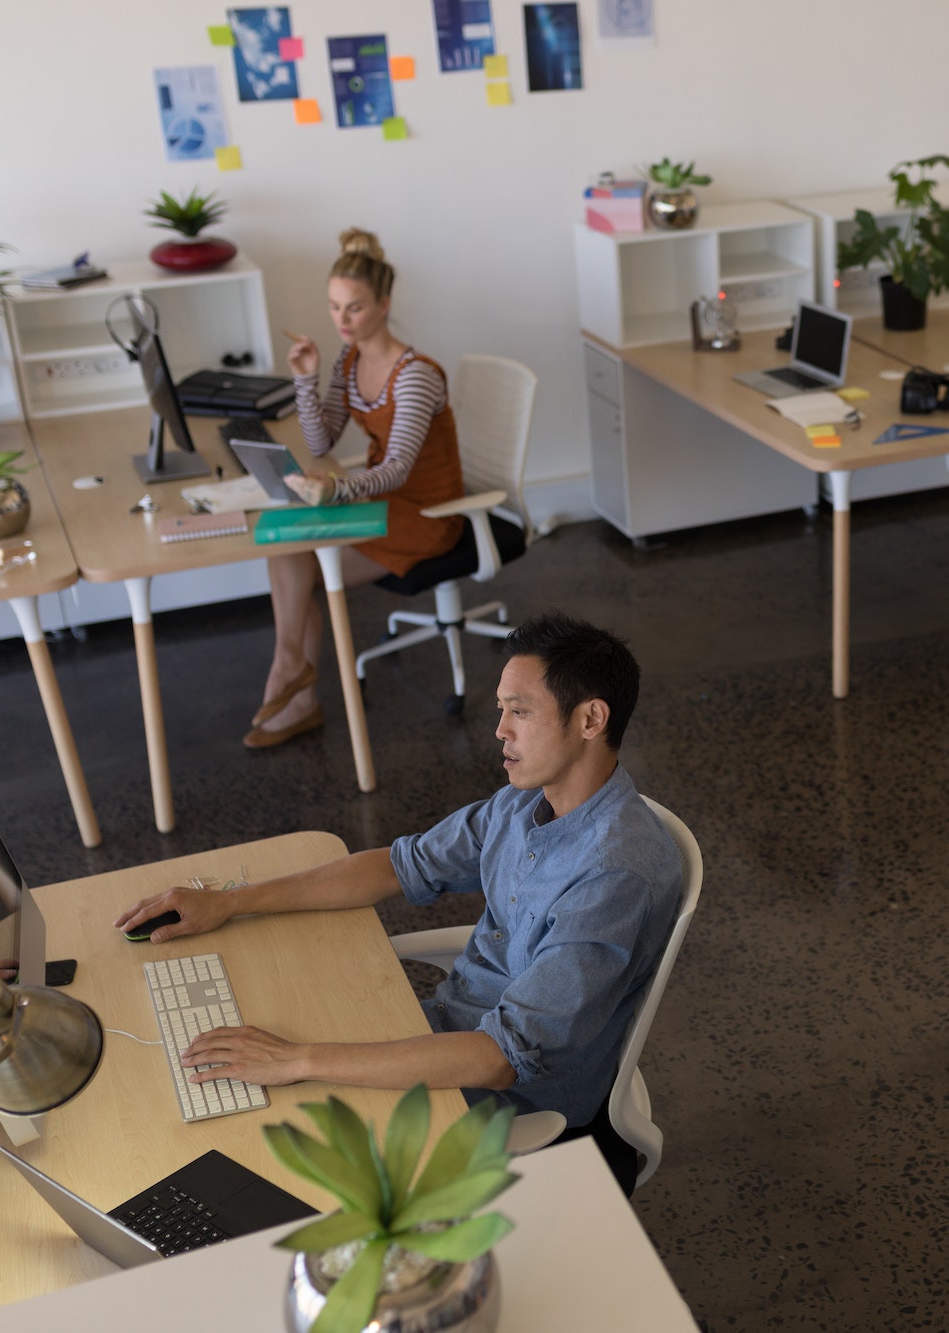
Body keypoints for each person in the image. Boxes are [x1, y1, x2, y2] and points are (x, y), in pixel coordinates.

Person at [114, 613, 684, 1190]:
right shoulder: (525, 802)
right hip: (448, 1028)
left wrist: (300, 1060)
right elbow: (397, 864)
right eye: (500, 710)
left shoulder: (615, 875)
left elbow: (499, 1058)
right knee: (252, 1044)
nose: (499, 731)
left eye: (520, 711)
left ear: (590, 718)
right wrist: (232, 902)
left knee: (269, 1137)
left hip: (509, 1092)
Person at [246, 227, 468, 748]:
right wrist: (306, 377)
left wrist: (337, 491)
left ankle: (293, 683)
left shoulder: (414, 375)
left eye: (355, 309)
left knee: (302, 560)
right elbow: (321, 438)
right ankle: (294, 678)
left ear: (385, 304)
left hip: (427, 516)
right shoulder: (349, 361)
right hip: (378, 500)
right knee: (287, 546)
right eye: (334, 308)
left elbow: (394, 470)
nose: (342, 321)